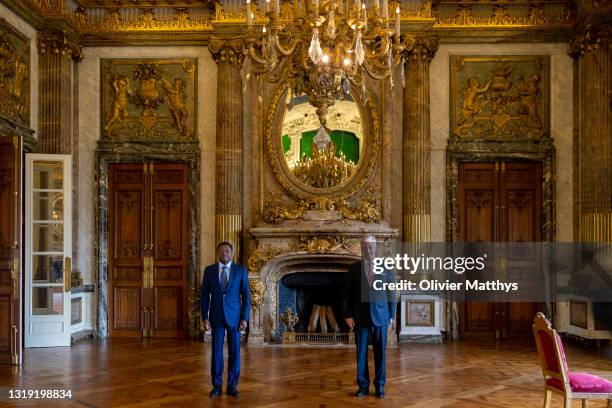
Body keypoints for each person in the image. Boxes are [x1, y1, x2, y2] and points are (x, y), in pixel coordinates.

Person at [343, 236, 396, 398]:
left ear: (376, 248)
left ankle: (380, 386)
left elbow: (391, 294)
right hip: (360, 317)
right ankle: (363, 386)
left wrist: (392, 317)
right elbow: (348, 294)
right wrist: (348, 315)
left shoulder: (387, 268)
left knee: (381, 353)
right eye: (366, 248)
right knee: (361, 354)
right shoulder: (353, 269)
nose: (369, 251)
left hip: (381, 316)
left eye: (372, 248)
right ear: (361, 249)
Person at [201, 242, 251, 398]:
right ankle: (216, 386)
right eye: (222, 250)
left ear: (232, 253)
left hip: (235, 317)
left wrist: (245, 318)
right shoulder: (209, 270)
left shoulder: (240, 270)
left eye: (227, 250)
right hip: (216, 317)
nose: (225, 253)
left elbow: (246, 295)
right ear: (218, 253)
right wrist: (205, 317)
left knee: (235, 352)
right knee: (216, 353)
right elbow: (204, 295)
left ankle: (232, 386)